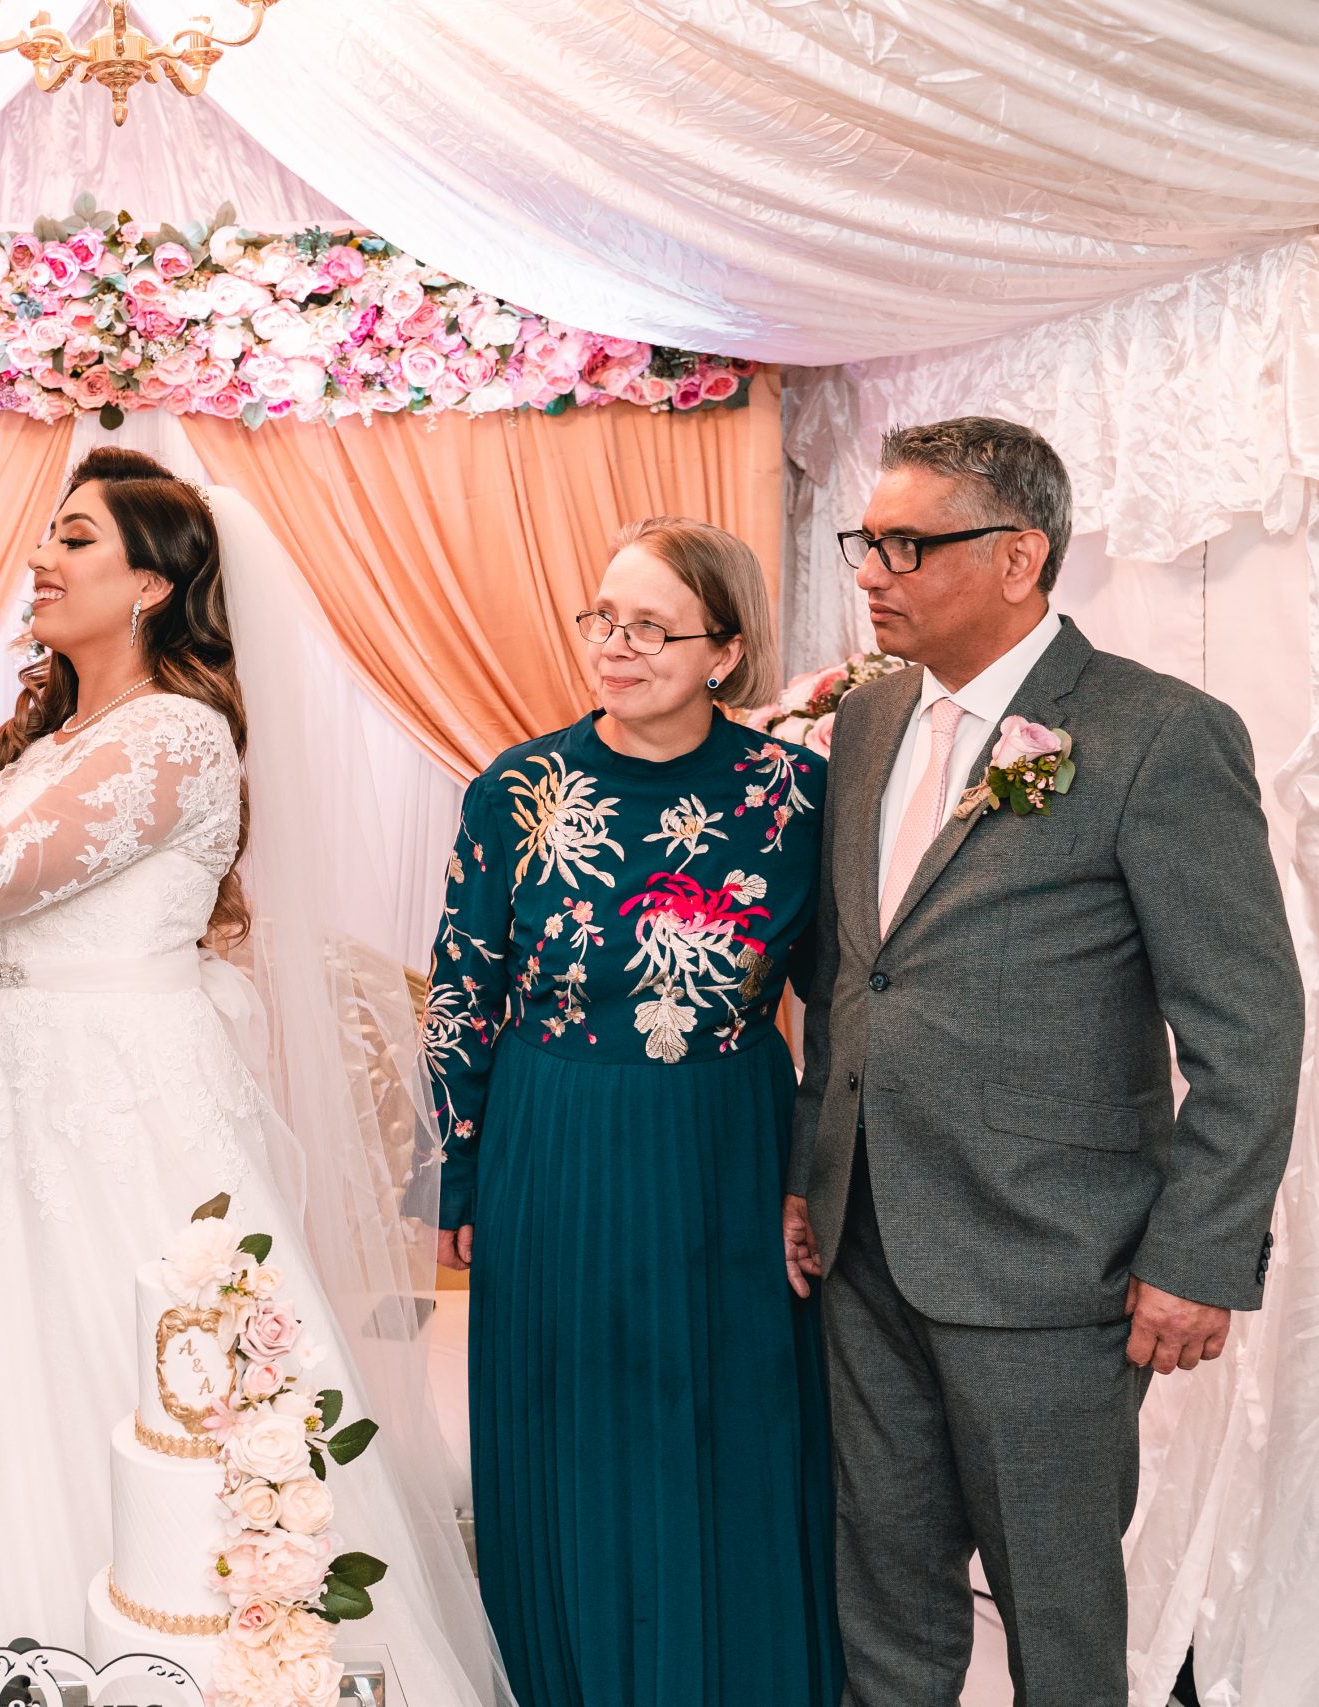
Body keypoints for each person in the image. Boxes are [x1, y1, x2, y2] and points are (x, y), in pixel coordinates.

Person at [0, 447, 516, 1705]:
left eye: (74, 537)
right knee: (0, 1400)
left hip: (115, 1110)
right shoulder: (58, 739)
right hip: (6, 1102)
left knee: (138, 1391)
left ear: (150, 584)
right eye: (47, 533)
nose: (40, 557)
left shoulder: (178, 736)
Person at [789, 417, 1300, 1706]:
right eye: (866, 541)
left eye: (908, 545)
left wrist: (1196, 1259)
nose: (871, 573)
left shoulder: (1155, 733)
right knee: (884, 1602)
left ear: (1019, 557)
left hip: (1050, 1266)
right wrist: (812, 1173)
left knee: (1057, 1622)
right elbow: (852, 975)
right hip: (865, 1247)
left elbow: (1247, 1027)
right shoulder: (869, 719)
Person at [425, 518, 840, 1705]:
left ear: (726, 650)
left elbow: (843, 1008)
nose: (615, 646)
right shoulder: (517, 790)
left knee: (730, 1416)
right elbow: (460, 993)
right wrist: (457, 1176)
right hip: (551, 1141)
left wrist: (810, 1178)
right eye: (603, 618)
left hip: (727, 1144)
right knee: (568, 1420)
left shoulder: (795, 796)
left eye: (652, 628)